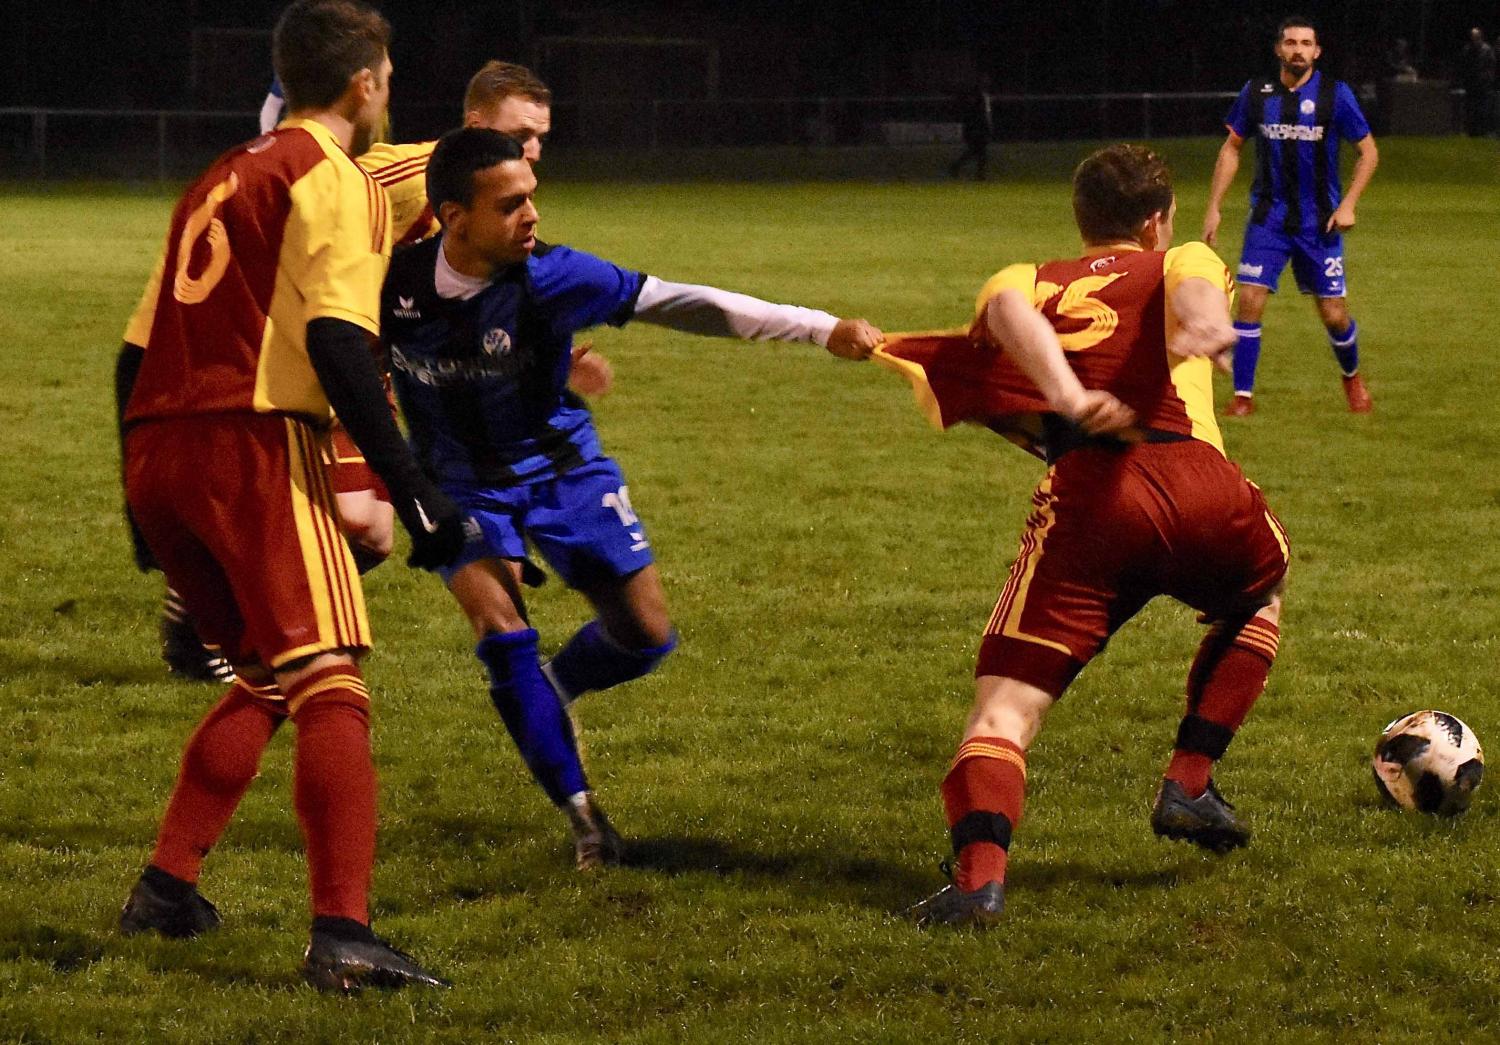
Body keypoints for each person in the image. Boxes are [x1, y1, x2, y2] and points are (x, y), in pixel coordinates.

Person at [384, 127, 884, 869]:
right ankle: (587, 820)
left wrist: (821, 329)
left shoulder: (555, 277)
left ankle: (548, 690)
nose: (532, 216)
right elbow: (334, 352)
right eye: (511, 203)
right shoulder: (389, 281)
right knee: (499, 624)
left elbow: (685, 303)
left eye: (534, 199)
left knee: (646, 634)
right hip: (456, 484)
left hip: (561, 467)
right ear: (454, 217)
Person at [114, 0, 461, 991]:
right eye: (386, 77)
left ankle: (166, 888)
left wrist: (144, 514)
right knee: (330, 678)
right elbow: (340, 343)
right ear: (363, 84)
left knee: (267, 673)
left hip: (160, 448)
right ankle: (344, 934)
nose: (388, 93)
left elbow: (131, 349)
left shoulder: (218, 176)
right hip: (253, 442)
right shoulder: (335, 177)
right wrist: (415, 488)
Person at [875, 144, 1289, 927]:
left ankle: (979, 882)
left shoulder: (1025, 277)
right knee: (1260, 594)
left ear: (1080, 218)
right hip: (1198, 482)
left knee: (1003, 714)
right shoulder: (1185, 255)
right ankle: (1190, 781)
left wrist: (1068, 394)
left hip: (1092, 501)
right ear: (1157, 222)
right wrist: (1206, 326)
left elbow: (1004, 317)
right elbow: (1199, 292)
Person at [158, 61, 596, 681]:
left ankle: (219, 595)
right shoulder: (403, 174)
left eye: (541, 138)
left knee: (370, 534)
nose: (533, 151)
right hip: (317, 351)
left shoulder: (495, 190)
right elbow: (305, 192)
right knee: (362, 524)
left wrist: (549, 349)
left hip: (369, 359)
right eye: (522, 134)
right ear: (475, 123)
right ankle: (222, 614)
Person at [1202, 15, 1379, 417]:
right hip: (1269, 219)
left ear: (1316, 51)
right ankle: (1242, 398)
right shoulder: (1257, 93)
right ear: (1278, 49)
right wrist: (1214, 206)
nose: (1298, 49)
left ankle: (1351, 378)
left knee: (1334, 315)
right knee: (1249, 299)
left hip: (1320, 223)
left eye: (1306, 43)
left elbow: (1368, 152)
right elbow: (1232, 148)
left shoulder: (1336, 94)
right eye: (1290, 42)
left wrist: (1349, 203)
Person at [948, 76, 994, 181]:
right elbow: (979, 113)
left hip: (980, 126)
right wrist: (983, 125)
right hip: (977, 127)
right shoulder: (978, 96)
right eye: (985, 82)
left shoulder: (983, 96)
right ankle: (961, 168)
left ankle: (975, 173)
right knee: (977, 150)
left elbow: (986, 113)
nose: (987, 83)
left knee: (978, 151)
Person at [1458, 28, 1496, 137]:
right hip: (1471, 83)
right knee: (1470, 108)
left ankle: (1482, 130)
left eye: (1476, 37)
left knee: (1482, 108)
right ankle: (1472, 130)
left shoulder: (1487, 49)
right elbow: (1463, 65)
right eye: (1472, 37)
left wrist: (1487, 78)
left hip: (1483, 84)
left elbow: (1491, 66)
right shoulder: (1467, 49)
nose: (1474, 39)